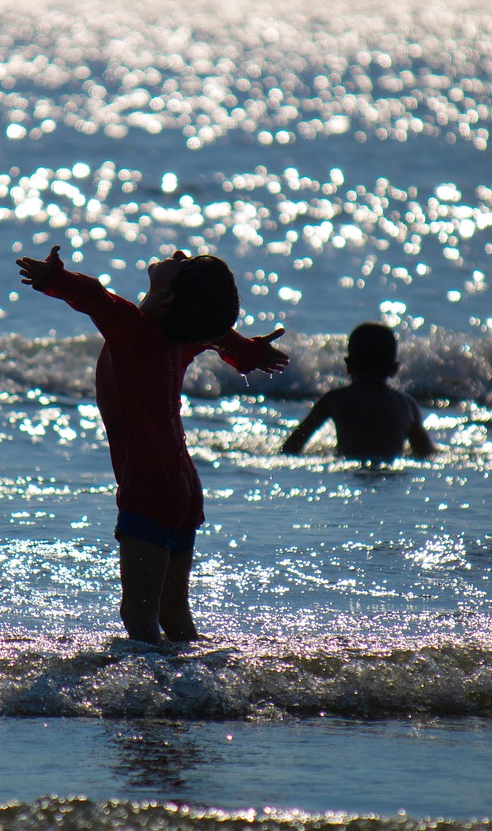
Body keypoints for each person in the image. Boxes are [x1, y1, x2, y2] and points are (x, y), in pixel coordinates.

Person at [15, 245, 288, 643]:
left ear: (164, 296)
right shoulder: (182, 336)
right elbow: (218, 335)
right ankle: (191, 691)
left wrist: (53, 280)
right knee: (173, 612)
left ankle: (149, 694)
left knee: (139, 614)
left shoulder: (135, 328)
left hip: (148, 486)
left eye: (180, 264)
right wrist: (248, 353)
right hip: (184, 488)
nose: (177, 253)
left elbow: (93, 295)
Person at [281, 322, 435, 461]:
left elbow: (292, 446)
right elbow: (425, 453)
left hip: (348, 465)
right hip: (392, 471)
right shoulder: (407, 404)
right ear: (394, 369)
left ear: (348, 365)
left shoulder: (336, 399)